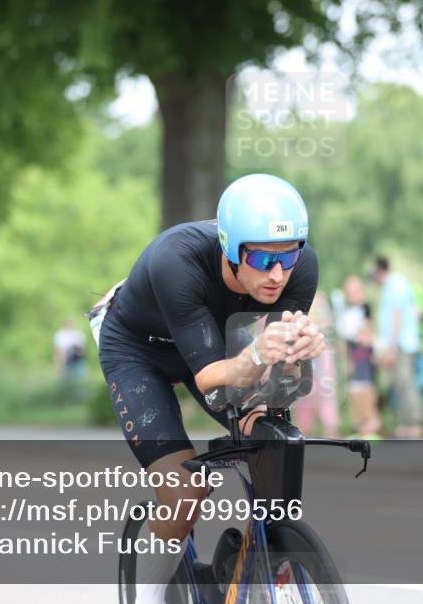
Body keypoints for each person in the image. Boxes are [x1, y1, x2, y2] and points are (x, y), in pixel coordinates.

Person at [88, 174, 325, 604]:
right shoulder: (176, 259)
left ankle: (258, 560)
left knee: (269, 438)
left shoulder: (300, 270)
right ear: (230, 248)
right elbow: (210, 378)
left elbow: (278, 382)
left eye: (288, 256)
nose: (277, 274)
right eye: (260, 258)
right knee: (184, 492)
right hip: (140, 351)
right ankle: (149, 598)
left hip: (211, 345)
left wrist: (297, 355)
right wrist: (257, 356)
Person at [373, 256, 423, 439]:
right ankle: (404, 424)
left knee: (406, 382)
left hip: (402, 343)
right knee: (399, 384)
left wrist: (392, 346)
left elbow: (397, 315)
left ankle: (415, 424)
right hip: (400, 342)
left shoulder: (394, 286)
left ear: (379, 271)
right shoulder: (397, 284)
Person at [337, 275, 381, 438]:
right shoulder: (348, 312)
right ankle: (361, 428)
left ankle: (371, 426)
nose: (352, 295)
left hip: (366, 360)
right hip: (354, 358)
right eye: (350, 292)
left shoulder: (367, 309)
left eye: (355, 291)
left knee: (367, 392)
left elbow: (369, 334)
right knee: (354, 392)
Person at [294, 290, 340, 438]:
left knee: (326, 393)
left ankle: (331, 431)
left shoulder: (320, 300)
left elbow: (327, 327)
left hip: (321, 353)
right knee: (304, 396)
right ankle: (305, 432)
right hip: (303, 353)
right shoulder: (297, 302)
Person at [53, 318, 87, 398]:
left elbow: (82, 349)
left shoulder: (78, 334)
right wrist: (59, 363)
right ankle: (65, 396)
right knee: (64, 379)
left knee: (80, 379)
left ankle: (78, 395)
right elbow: (59, 350)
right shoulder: (60, 335)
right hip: (65, 359)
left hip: (78, 359)